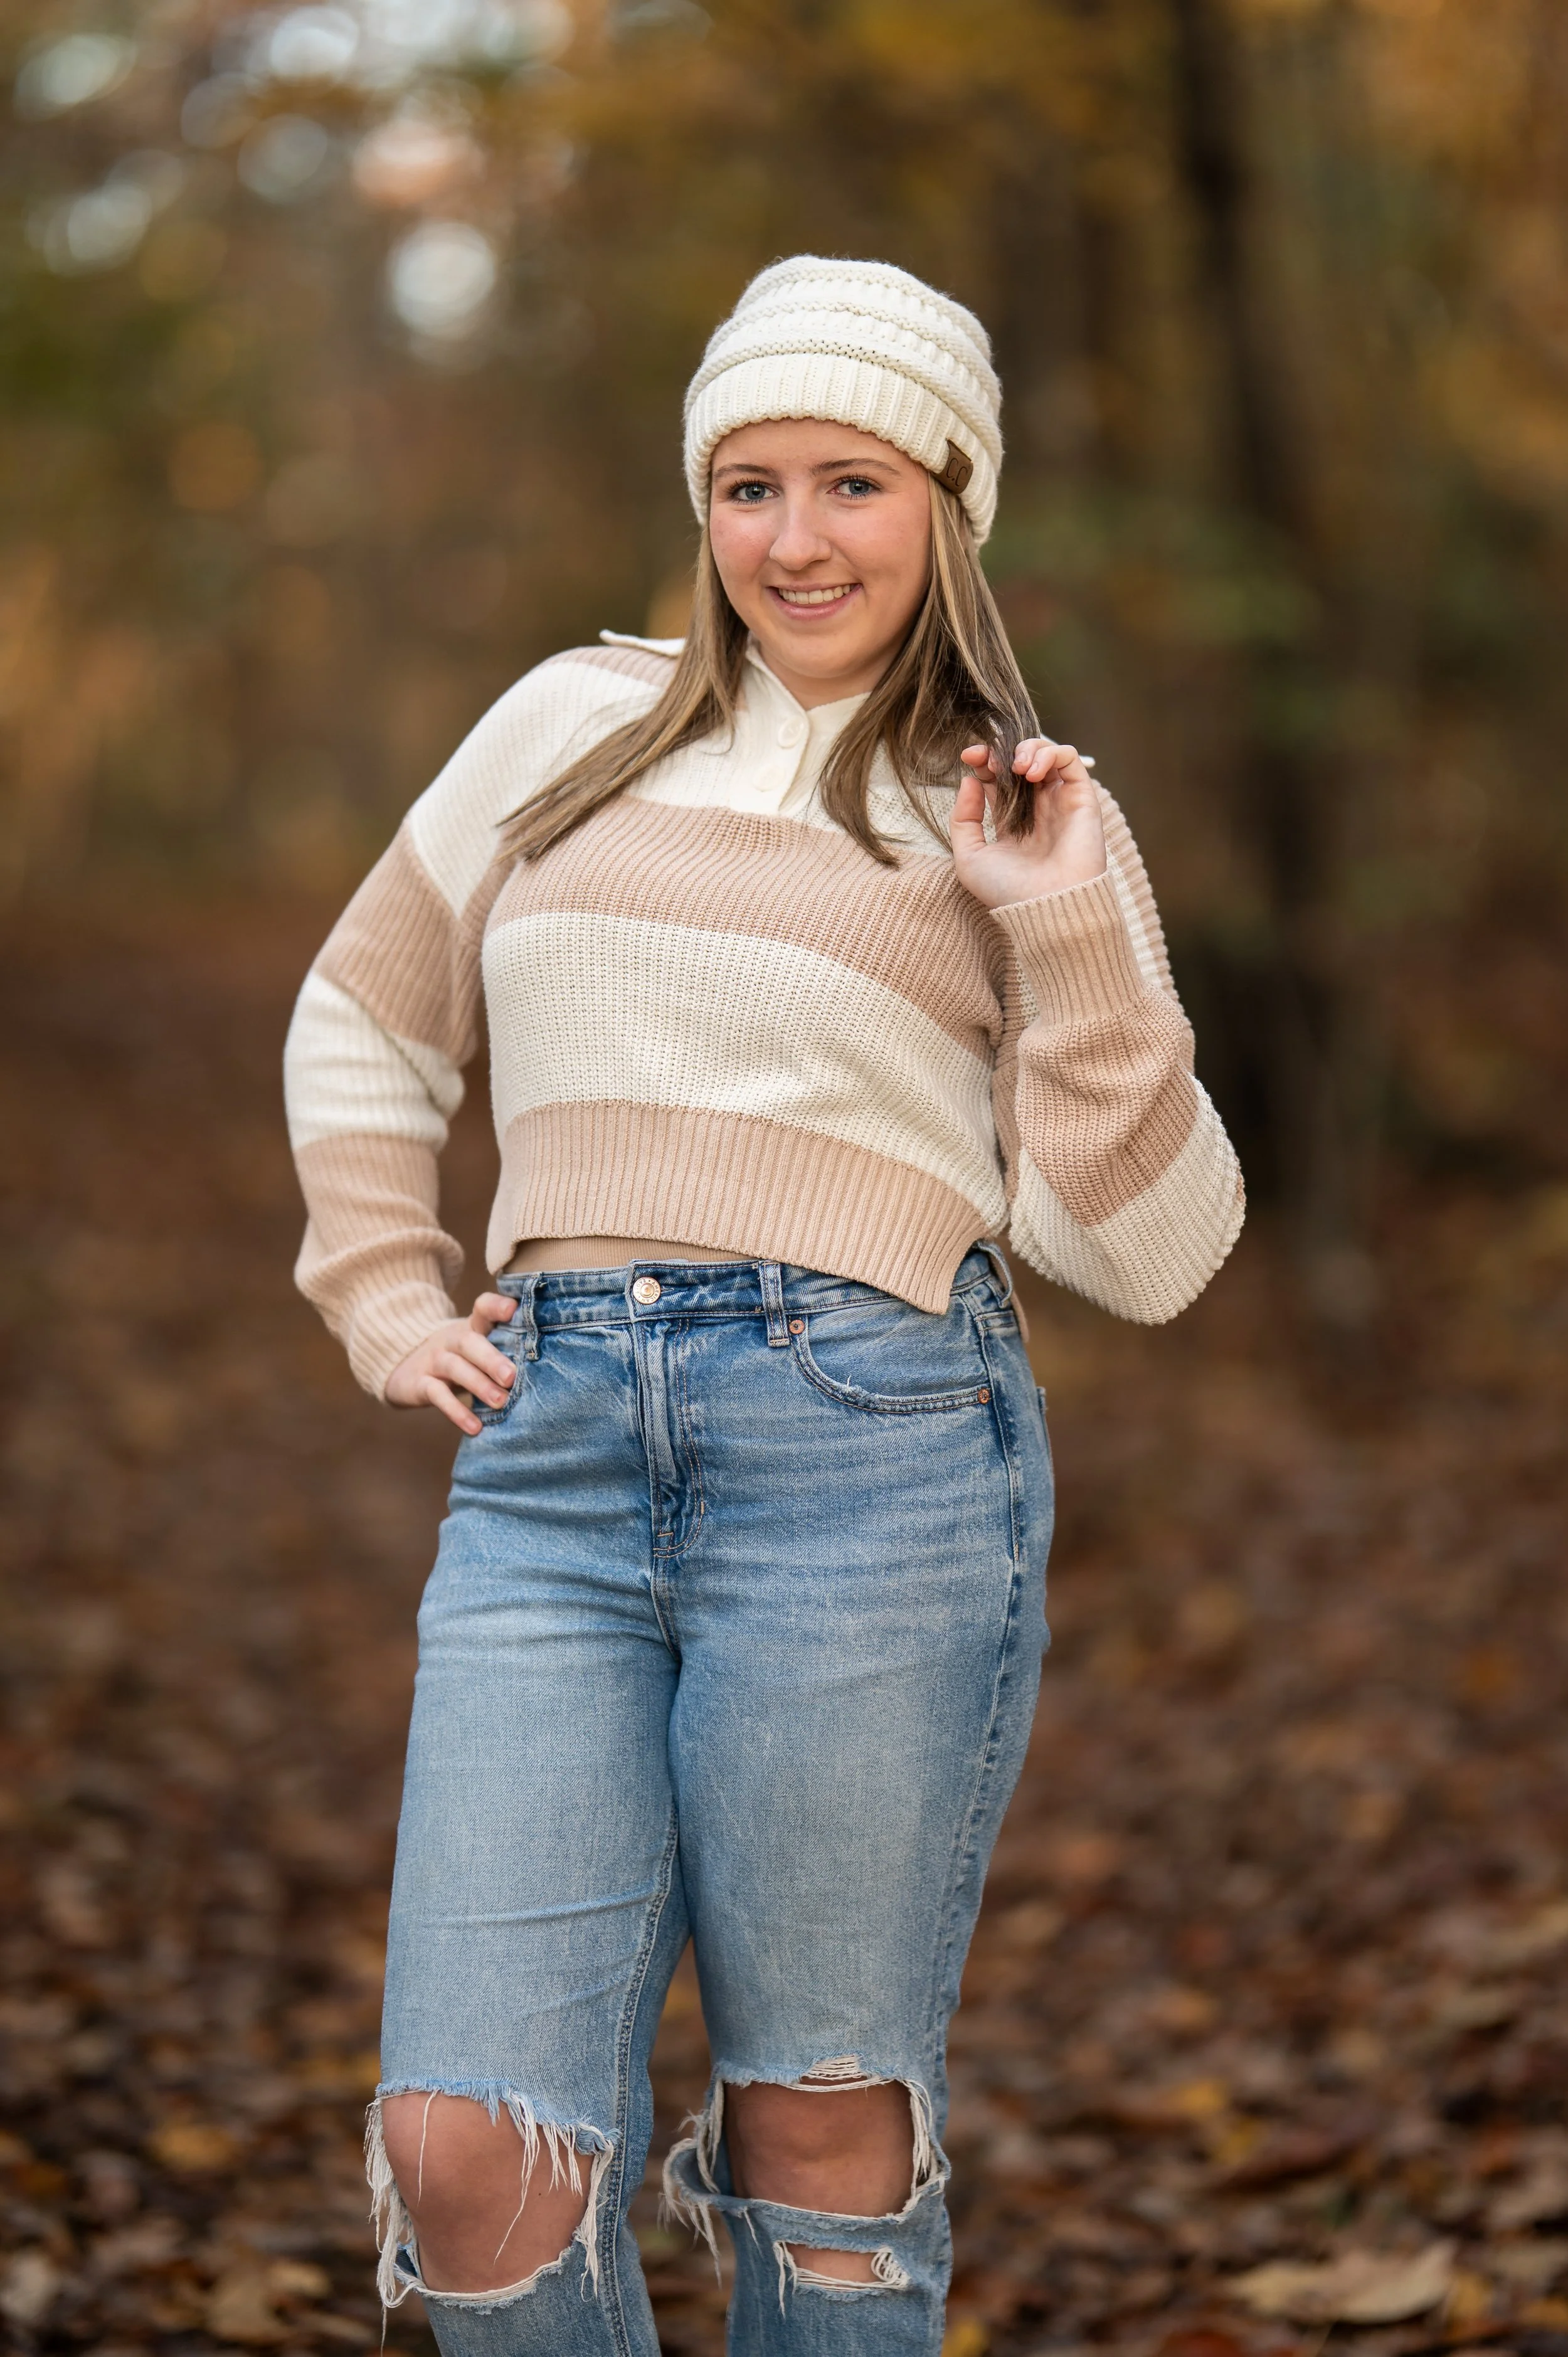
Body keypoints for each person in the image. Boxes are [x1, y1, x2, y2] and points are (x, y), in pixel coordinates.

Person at [283, 255, 1243, 2357]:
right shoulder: (565, 720)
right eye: (746, 485)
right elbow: (366, 1012)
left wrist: (1060, 931)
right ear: (698, 503)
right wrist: (378, 1283)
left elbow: (1152, 1245)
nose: (793, 540)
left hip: (872, 1456)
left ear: (946, 507)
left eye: (850, 483)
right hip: (544, 1474)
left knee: (816, 2120)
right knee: (466, 2141)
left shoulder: (1023, 808)